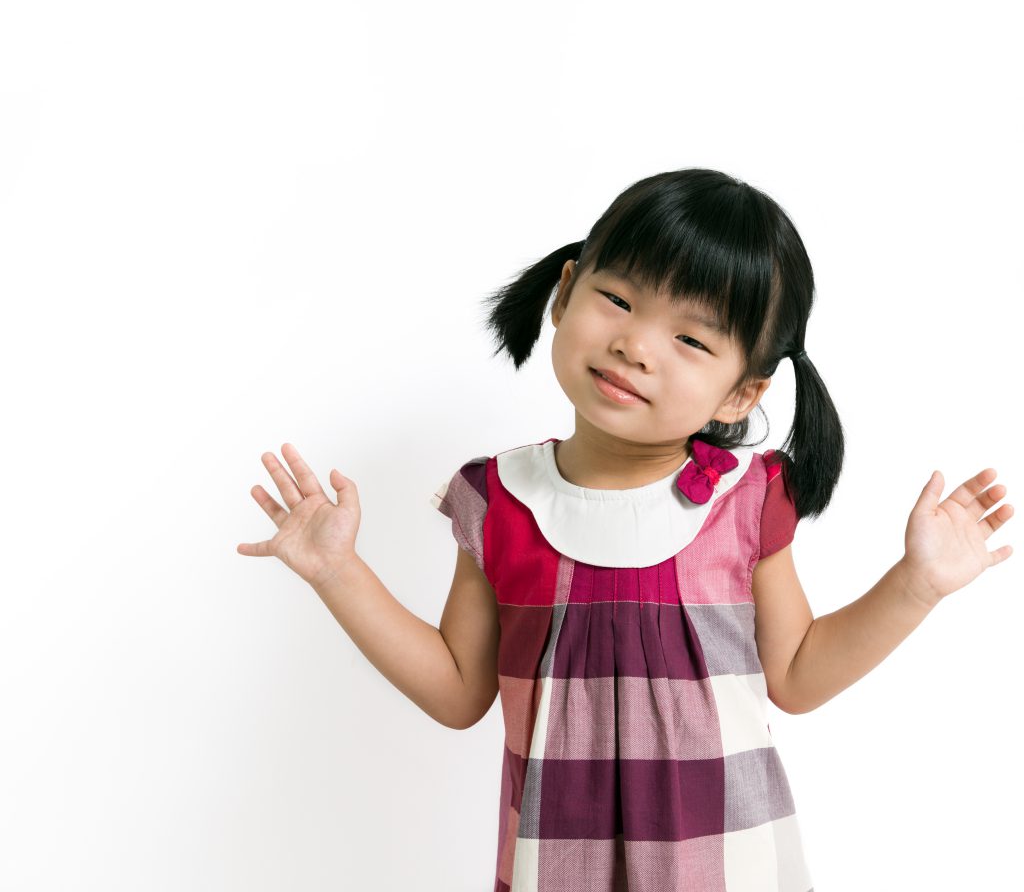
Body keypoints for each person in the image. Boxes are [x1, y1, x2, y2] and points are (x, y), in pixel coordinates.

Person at [237, 167, 1014, 891]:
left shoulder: (745, 501)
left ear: (741, 393)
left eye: (692, 339)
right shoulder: (497, 501)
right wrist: (337, 572)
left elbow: (799, 675)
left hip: (727, 863)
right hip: (557, 864)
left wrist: (916, 586)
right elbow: (457, 691)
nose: (635, 346)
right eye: (618, 299)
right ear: (565, 292)